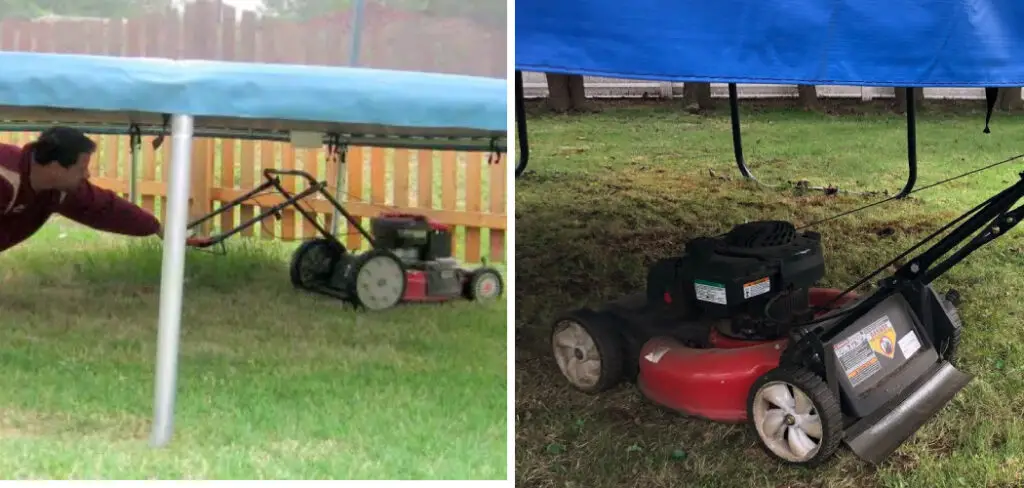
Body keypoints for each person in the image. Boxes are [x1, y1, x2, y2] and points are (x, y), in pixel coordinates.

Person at [0, 126, 163, 254]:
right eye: (81, 168)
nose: (87, 174)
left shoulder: (58, 189)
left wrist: (155, 227)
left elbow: (105, 208)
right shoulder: (5, 177)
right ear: (55, 168)